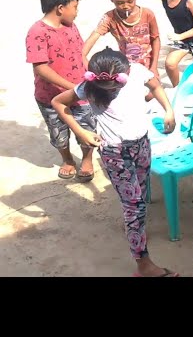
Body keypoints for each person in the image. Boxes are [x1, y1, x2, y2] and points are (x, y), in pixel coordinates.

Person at [51, 48, 179, 277]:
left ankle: (132, 225)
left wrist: (168, 110)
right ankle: (144, 265)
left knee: (140, 194)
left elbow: (156, 86)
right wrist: (81, 132)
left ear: (127, 72)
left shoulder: (138, 72)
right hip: (115, 153)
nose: (111, 93)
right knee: (135, 205)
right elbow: (58, 102)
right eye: (107, 90)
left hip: (142, 145)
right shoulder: (88, 87)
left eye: (115, 88)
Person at [26, 0, 97, 182]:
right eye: (75, 7)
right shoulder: (37, 32)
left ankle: (87, 159)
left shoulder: (71, 26)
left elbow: (80, 54)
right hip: (50, 97)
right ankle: (67, 160)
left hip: (81, 94)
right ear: (60, 8)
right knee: (58, 133)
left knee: (87, 127)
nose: (76, 12)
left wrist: (94, 74)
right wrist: (73, 87)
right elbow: (40, 68)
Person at [82, 0, 161, 102]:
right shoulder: (109, 18)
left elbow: (155, 39)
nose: (126, 6)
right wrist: (84, 59)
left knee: (151, 95)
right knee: (131, 99)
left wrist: (154, 66)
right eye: (120, 3)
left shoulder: (147, 14)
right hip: (126, 69)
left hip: (148, 65)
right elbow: (94, 37)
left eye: (130, 1)